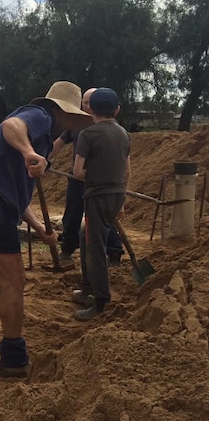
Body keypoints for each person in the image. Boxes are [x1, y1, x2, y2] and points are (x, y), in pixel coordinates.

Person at [0, 81, 92, 378]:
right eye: (72, 119)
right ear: (65, 113)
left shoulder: (39, 141)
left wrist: (41, 229)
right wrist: (30, 152)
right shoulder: (39, 115)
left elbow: (17, 199)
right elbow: (10, 125)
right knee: (13, 279)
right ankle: (14, 357)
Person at [72, 88, 131, 321]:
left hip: (97, 197)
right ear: (117, 109)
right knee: (85, 236)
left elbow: (77, 171)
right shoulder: (124, 134)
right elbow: (126, 170)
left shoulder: (88, 134)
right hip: (117, 195)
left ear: (90, 109)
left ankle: (100, 301)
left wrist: (94, 177)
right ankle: (87, 288)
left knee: (95, 247)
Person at [48, 88, 123, 266]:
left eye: (91, 102)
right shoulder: (75, 123)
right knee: (72, 215)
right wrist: (44, 159)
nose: (87, 106)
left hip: (99, 182)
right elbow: (58, 144)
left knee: (103, 218)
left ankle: (113, 252)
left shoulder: (107, 128)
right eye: (85, 102)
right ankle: (67, 249)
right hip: (77, 180)